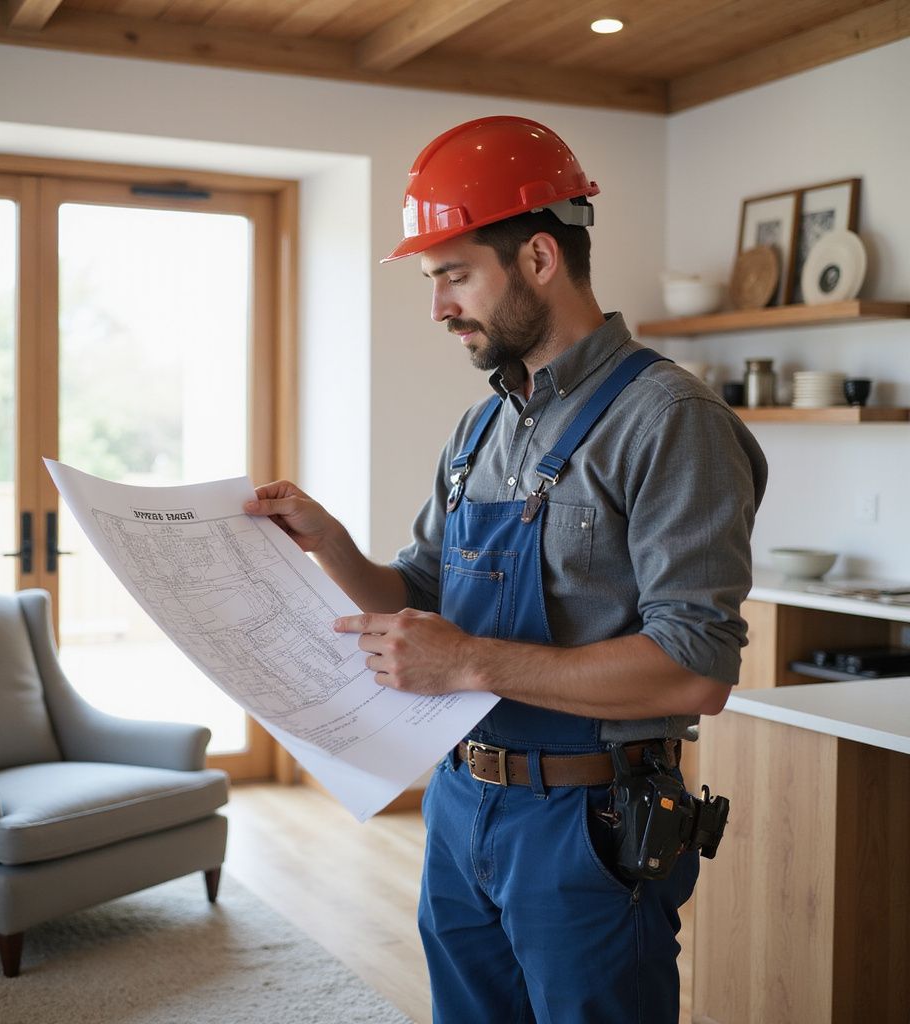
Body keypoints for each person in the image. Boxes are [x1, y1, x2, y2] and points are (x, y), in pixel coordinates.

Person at [244, 115, 768, 1024]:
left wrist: (471, 662)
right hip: (460, 807)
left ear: (536, 258)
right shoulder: (482, 428)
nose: (439, 306)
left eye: (453, 275)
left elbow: (696, 666)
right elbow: (420, 592)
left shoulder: (668, 419)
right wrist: (328, 542)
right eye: (432, 279)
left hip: (590, 828)